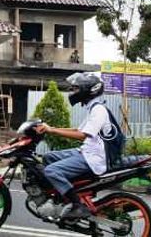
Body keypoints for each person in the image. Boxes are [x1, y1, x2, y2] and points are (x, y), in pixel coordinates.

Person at [35, 72, 113, 220]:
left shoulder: (99, 110)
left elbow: (82, 135)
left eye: (77, 89)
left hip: (94, 158)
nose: (73, 92)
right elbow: (78, 130)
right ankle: (63, 195)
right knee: (48, 158)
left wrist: (52, 130)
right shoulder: (93, 108)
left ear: (88, 90)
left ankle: (77, 205)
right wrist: (51, 128)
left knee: (51, 171)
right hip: (85, 152)